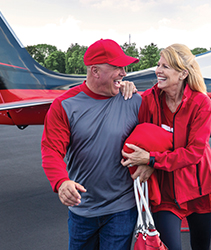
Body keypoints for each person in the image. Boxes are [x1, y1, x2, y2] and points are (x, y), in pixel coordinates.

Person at [41, 38, 141, 250]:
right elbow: (51, 149)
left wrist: (149, 161)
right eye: (117, 67)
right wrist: (61, 182)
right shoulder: (64, 105)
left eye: (124, 67)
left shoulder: (133, 99)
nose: (124, 72)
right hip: (82, 209)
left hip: (122, 208)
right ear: (95, 71)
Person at [121, 43, 211, 250]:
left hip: (199, 188)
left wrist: (151, 160)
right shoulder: (148, 99)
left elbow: (194, 153)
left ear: (183, 73)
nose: (158, 70)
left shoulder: (201, 103)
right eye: (158, 65)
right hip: (165, 192)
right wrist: (123, 87)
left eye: (165, 66)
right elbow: (122, 106)